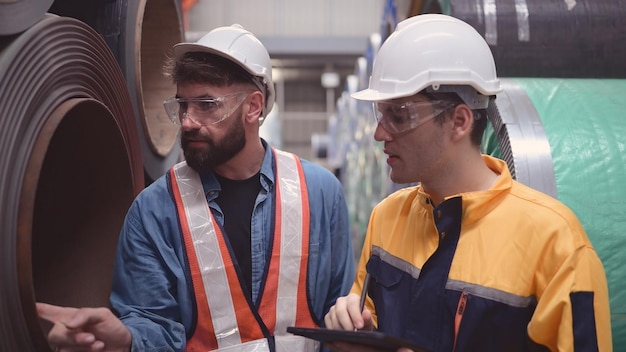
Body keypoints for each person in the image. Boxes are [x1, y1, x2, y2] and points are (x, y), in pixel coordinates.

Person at [37, 23, 356, 351]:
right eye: (183, 105)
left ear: (253, 106)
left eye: (207, 104)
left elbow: (339, 312)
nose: (187, 121)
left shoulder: (319, 194)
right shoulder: (155, 210)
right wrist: (127, 340)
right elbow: (153, 320)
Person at [323, 14, 612, 352]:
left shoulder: (556, 243)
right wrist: (353, 325)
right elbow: (368, 316)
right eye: (379, 113)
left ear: (459, 121)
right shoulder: (387, 218)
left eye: (398, 115)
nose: (378, 133)